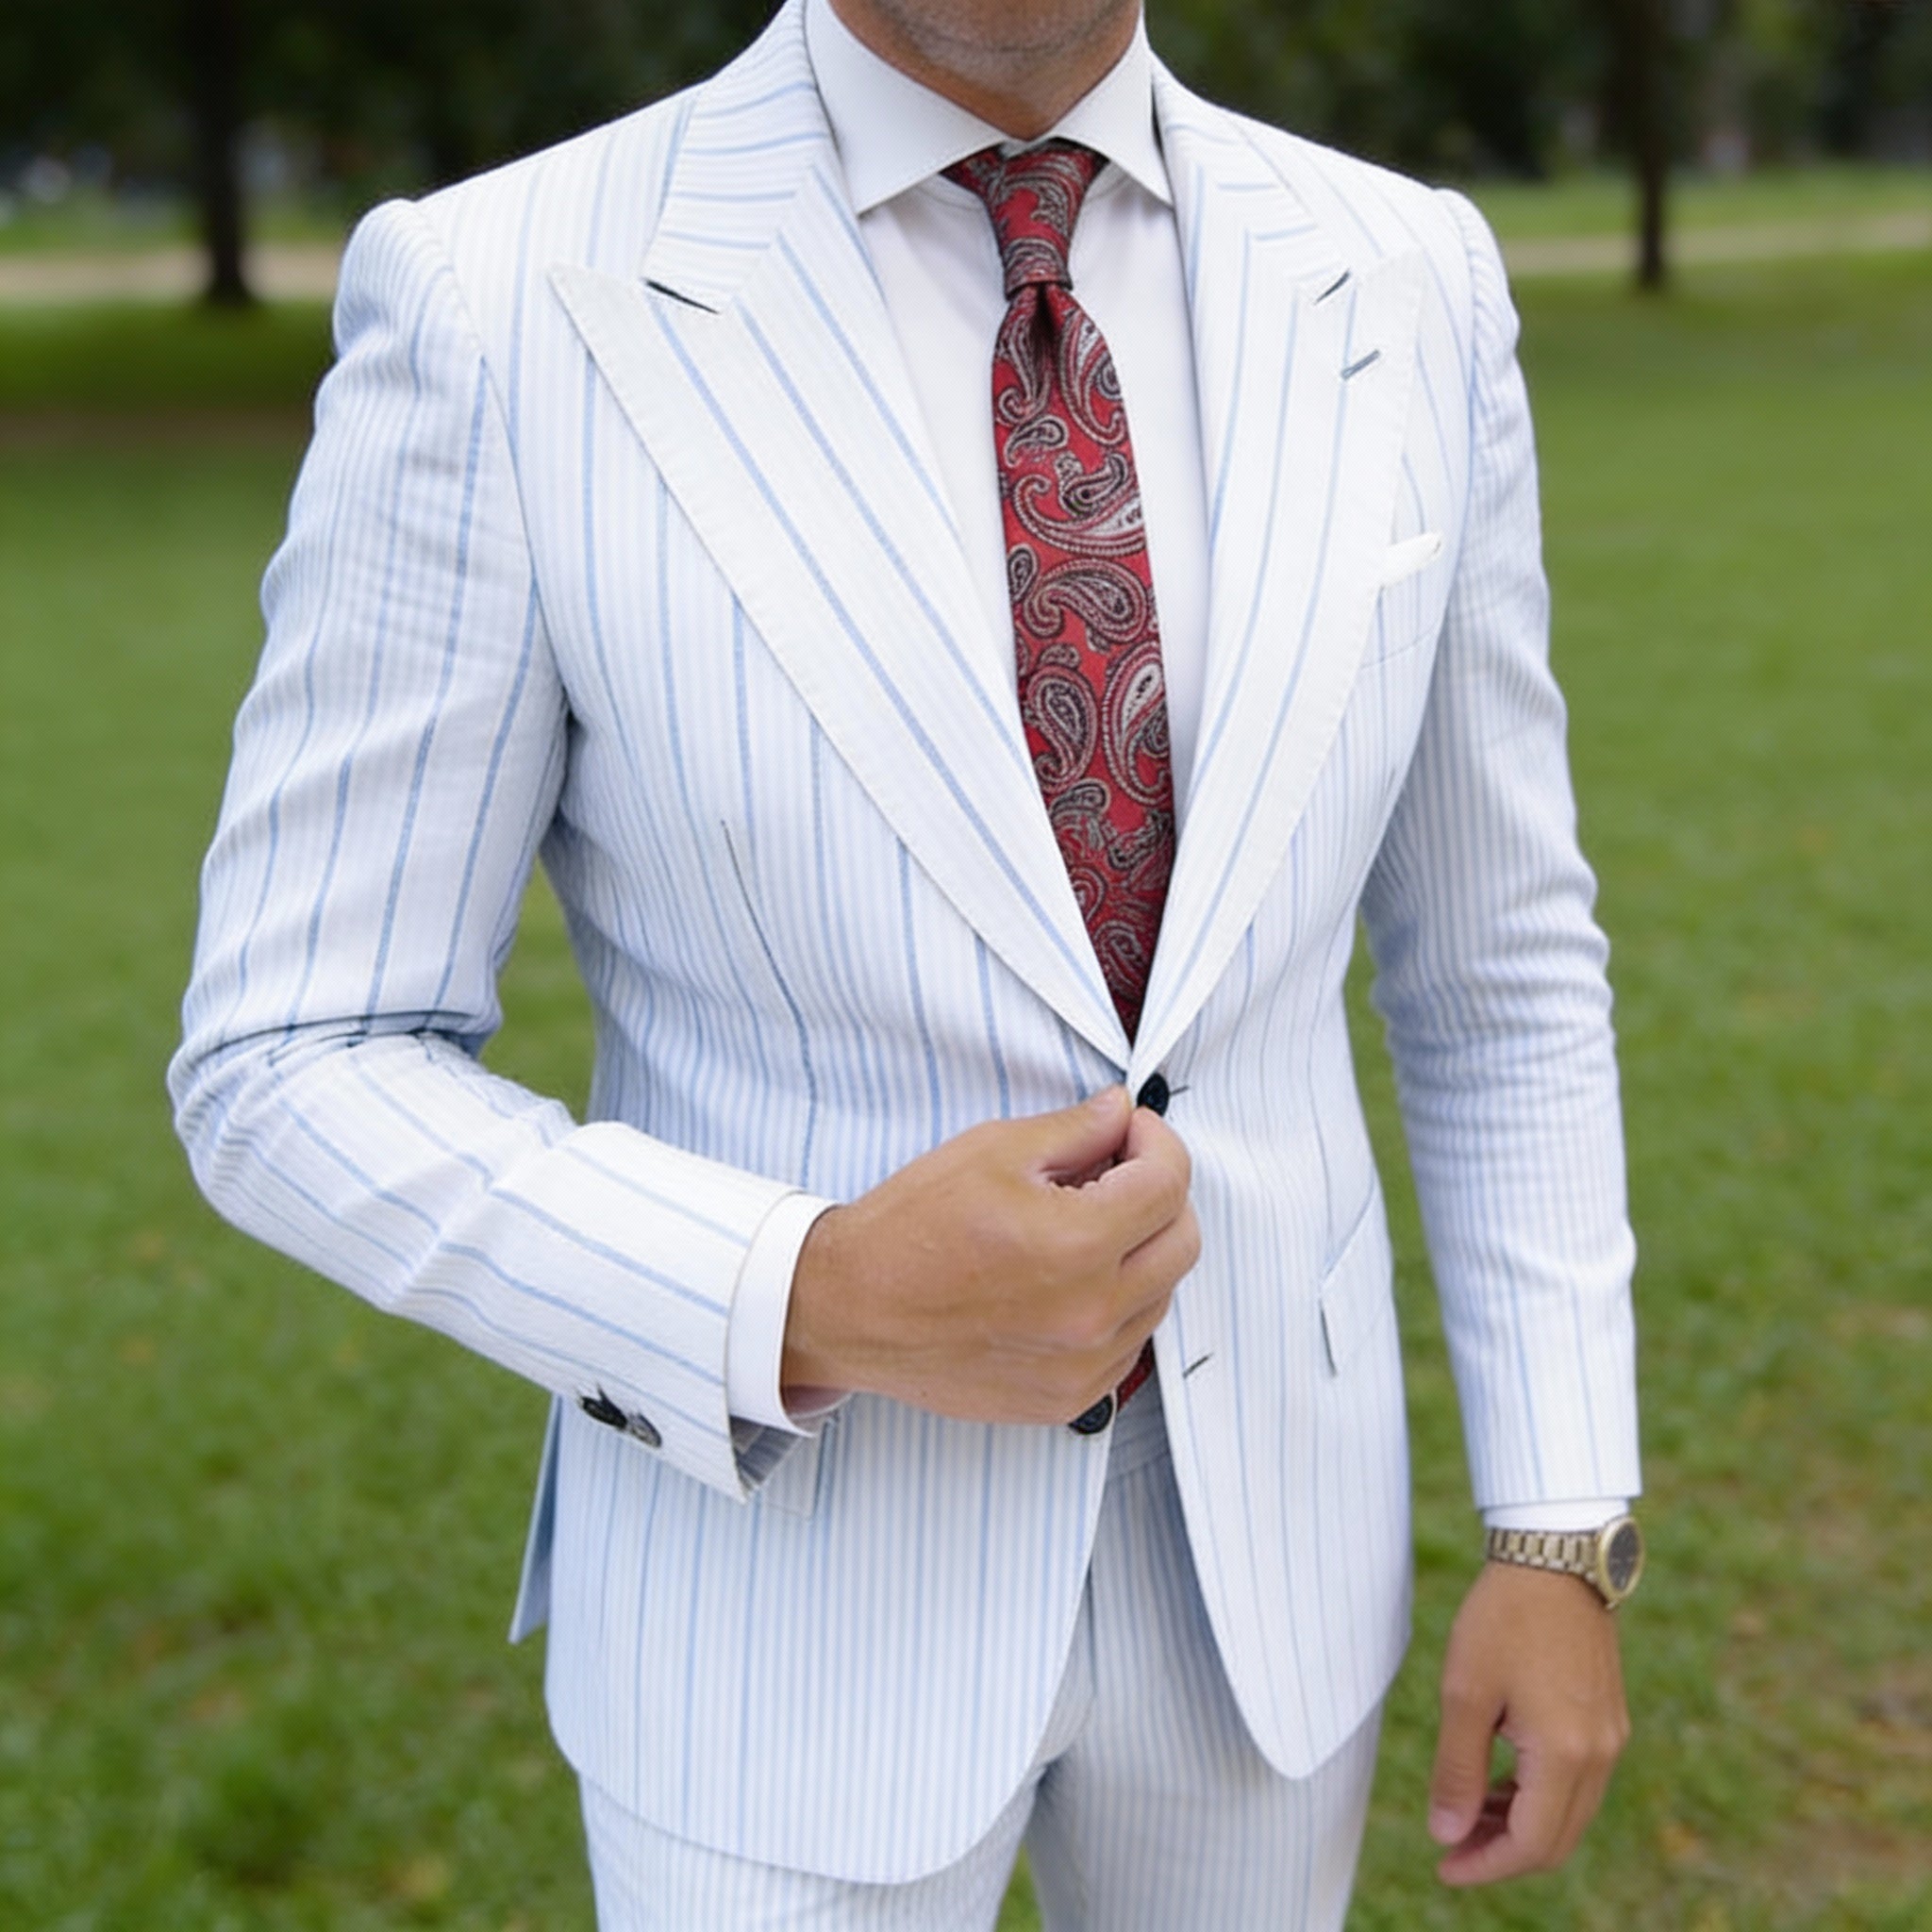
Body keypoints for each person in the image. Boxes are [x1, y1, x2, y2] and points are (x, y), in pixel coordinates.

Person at [170, 0, 1643, 1924]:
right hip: (774, 1619)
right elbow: (291, 1053)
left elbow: (1498, 964)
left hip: (1270, 1586)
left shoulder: (1407, 272)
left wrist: (1559, 1519)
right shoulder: (501, 295)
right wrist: (807, 1293)